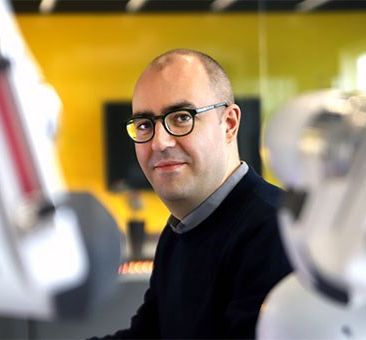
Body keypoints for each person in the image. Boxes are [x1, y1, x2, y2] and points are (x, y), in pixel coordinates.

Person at [100, 48, 292, 339]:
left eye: (180, 118)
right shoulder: (180, 229)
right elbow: (148, 335)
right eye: (144, 125)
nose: (159, 142)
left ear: (229, 124)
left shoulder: (273, 230)